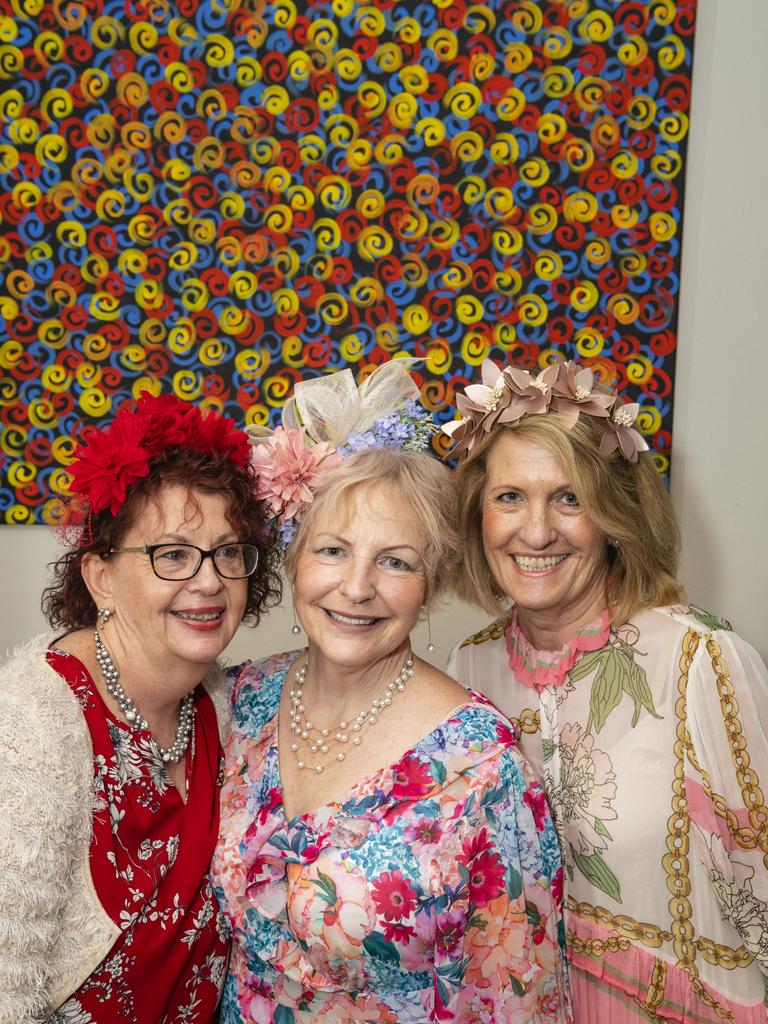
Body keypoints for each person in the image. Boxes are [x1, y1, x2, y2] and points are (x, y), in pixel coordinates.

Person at [211, 360, 572, 1023]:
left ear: (432, 584)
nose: (356, 587)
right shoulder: (242, 700)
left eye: (396, 561)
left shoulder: (485, 768)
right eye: (333, 551)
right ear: (292, 561)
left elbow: (518, 999)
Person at [445, 357, 768, 1023]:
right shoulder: (465, 671)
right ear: (478, 514)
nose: (535, 531)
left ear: (616, 515)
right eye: (510, 497)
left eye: (570, 498)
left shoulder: (701, 659)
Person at [0, 392, 280, 1024]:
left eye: (228, 551)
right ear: (100, 578)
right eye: (172, 554)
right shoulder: (32, 719)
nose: (209, 581)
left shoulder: (225, 705)